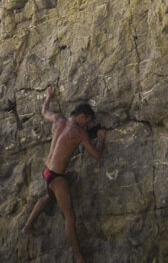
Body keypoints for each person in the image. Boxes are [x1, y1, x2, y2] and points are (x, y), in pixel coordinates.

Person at [21, 85, 106, 263]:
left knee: (48, 197)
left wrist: (48, 96)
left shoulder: (58, 119)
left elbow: (44, 111)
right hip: (57, 178)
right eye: (88, 121)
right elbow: (97, 156)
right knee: (70, 216)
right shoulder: (79, 132)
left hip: (47, 171)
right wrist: (101, 139)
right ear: (82, 116)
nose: (87, 124)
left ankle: (28, 226)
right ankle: (78, 255)